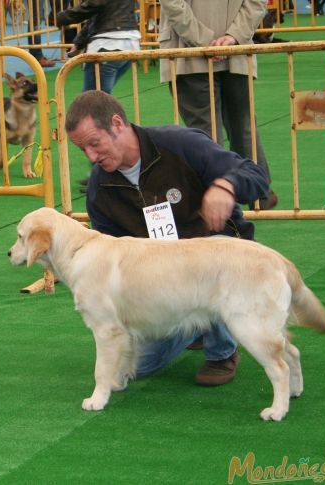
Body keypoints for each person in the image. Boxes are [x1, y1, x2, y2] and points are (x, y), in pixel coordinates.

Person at [65, 90, 270, 385]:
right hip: (161, 283)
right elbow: (109, 259)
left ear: (117, 123)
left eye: (95, 144)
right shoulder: (100, 189)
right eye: (83, 150)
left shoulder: (181, 143)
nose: (92, 157)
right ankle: (192, 324)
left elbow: (257, 175)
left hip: (219, 264)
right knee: (136, 366)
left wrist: (226, 186)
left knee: (203, 271)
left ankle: (221, 350)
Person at [158, 0, 278, 209]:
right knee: (243, 125)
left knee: (205, 132)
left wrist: (205, 41)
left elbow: (173, 4)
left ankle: (220, 198)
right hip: (237, 52)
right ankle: (259, 191)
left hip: (188, 54)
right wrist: (233, 37)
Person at [55, 0, 140, 94]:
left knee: (91, 98)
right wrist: (79, 42)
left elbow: (93, 4)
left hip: (108, 44)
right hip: (130, 44)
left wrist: (62, 17)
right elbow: (95, 15)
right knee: (98, 96)